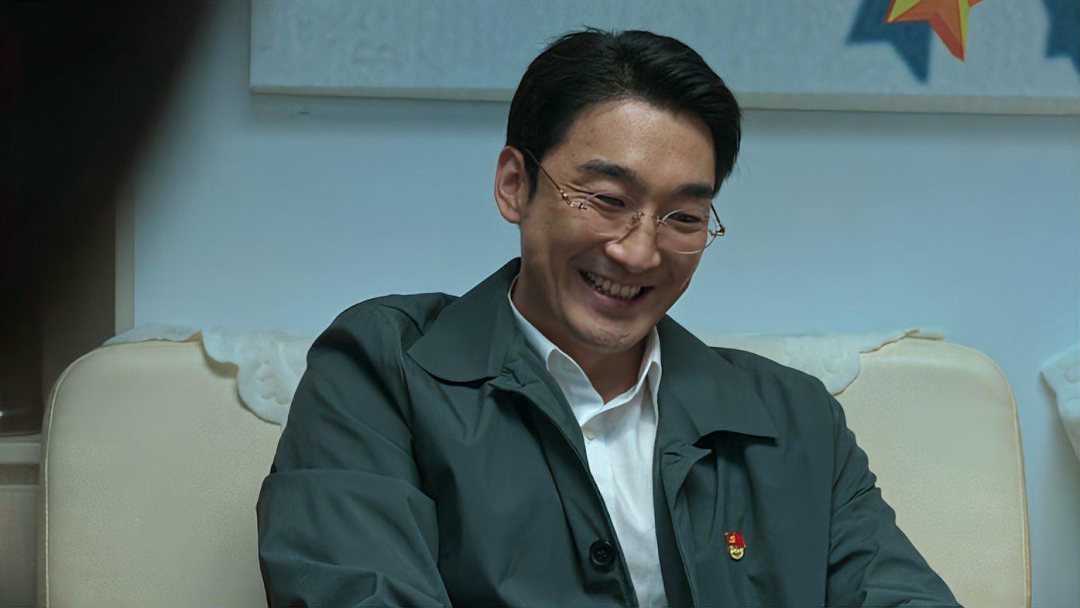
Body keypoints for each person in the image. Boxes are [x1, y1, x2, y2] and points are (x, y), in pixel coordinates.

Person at [256, 27, 959, 607]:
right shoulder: (382, 371)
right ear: (514, 185)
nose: (639, 251)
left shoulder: (795, 419)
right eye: (606, 200)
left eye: (683, 216)